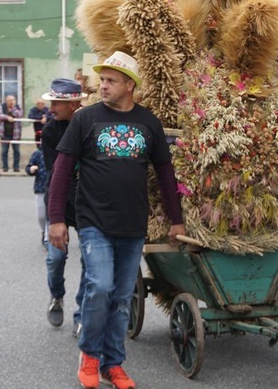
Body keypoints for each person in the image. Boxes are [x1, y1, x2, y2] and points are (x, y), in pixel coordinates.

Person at [47, 51, 186, 389]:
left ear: (129, 85)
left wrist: (176, 219)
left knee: (123, 299)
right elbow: (63, 170)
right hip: (94, 221)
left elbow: (166, 175)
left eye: (110, 80)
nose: (103, 85)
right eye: (102, 80)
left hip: (133, 224)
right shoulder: (85, 119)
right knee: (99, 287)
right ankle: (90, 356)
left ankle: (113, 364)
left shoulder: (148, 123)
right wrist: (56, 219)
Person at [41, 78, 88, 333]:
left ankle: (82, 312)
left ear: (73, 105)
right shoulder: (50, 131)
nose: (51, 108)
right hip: (59, 200)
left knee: (88, 261)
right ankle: (57, 296)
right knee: (56, 257)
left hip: (86, 203)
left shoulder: (88, 125)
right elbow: (56, 173)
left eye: (56, 103)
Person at [25, 142, 48, 244]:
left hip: (53, 189)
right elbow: (28, 167)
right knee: (41, 216)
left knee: (51, 215)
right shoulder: (37, 154)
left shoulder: (56, 152)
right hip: (40, 188)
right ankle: (44, 231)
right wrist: (31, 169)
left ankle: (48, 238)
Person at [0, 94, 23, 172]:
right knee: (4, 151)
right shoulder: (2, 106)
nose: (12, 102)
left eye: (13, 100)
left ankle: (16, 167)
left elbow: (20, 115)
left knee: (16, 151)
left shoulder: (17, 107)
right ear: (6, 101)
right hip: (4, 133)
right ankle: (5, 167)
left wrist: (13, 109)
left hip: (15, 133)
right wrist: (7, 117)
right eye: (10, 100)